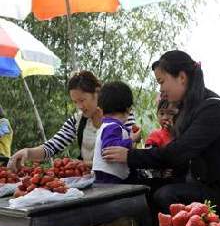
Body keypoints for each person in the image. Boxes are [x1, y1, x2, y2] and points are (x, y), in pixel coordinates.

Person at [102, 50, 220, 218]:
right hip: (196, 182)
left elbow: (178, 152)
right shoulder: (187, 109)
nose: (161, 89)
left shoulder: (212, 108)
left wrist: (130, 156)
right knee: (138, 189)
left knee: (165, 195)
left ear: (181, 77)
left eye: (162, 81)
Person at [8, 71, 139, 170]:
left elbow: (125, 155)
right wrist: (27, 152)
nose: (79, 106)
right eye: (75, 102)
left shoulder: (123, 115)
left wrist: (82, 164)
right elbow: (52, 146)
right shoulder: (77, 121)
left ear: (97, 93)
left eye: (82, 100)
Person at [93, 81, 138, 184]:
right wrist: (131, 140)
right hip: (109, 180)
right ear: (128, 109)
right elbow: (110, 148)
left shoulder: (108, 125)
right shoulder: (113, 127)